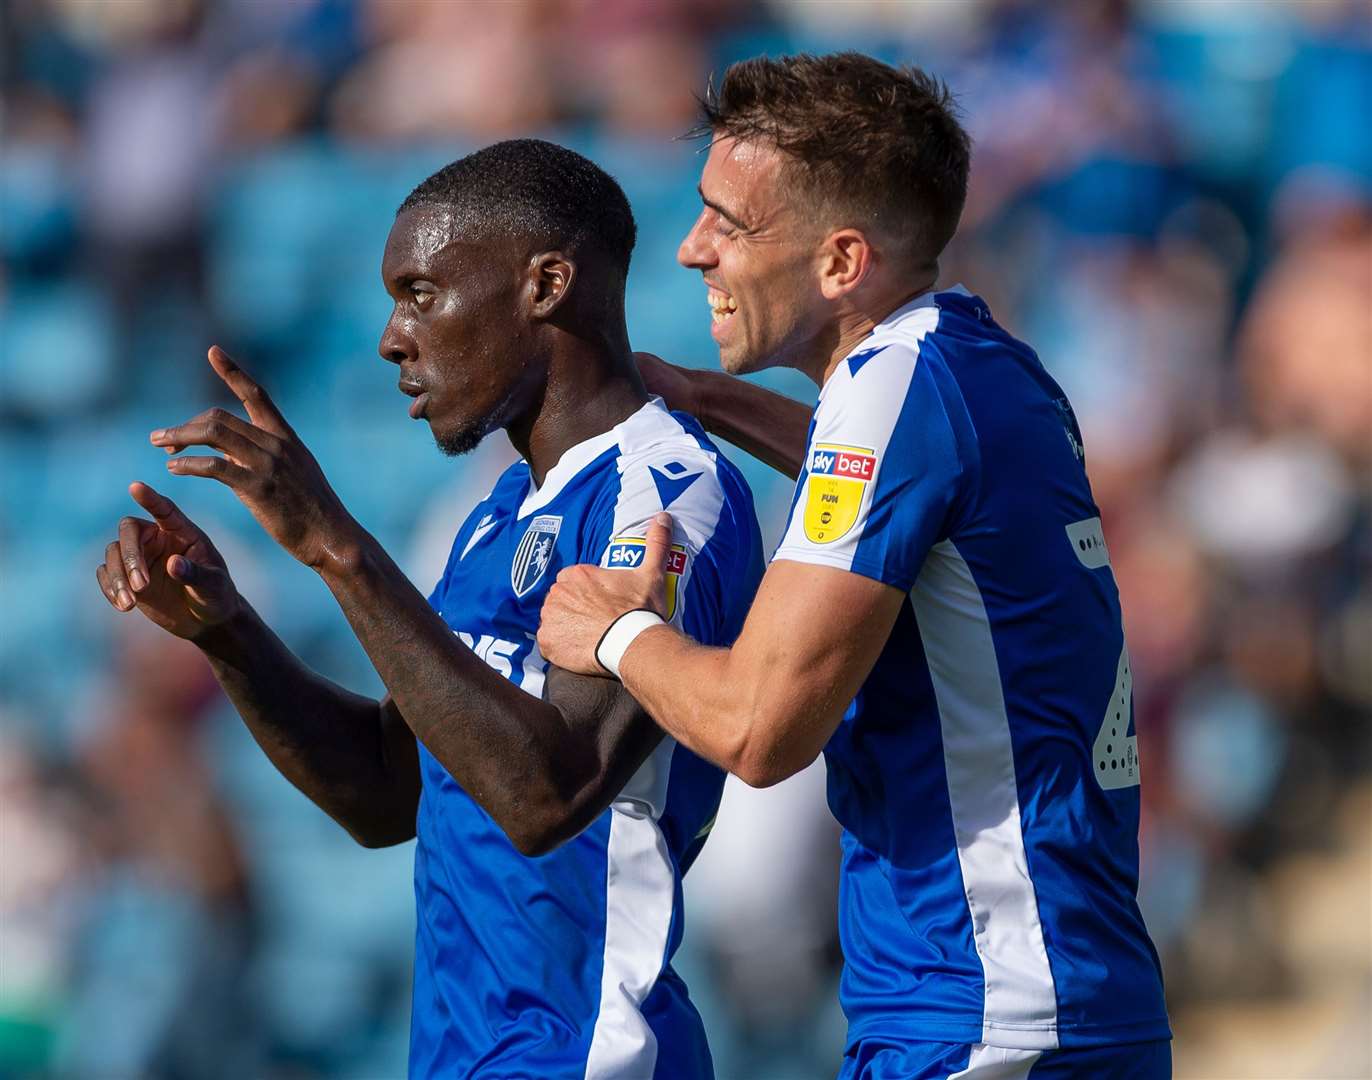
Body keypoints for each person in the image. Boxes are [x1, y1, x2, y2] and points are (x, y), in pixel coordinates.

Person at [537, 54, 1172, 1079]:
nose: (693, 251)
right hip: (1049, 994)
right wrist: (706, 399)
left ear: (840, 264)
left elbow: (758, 729)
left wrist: (613, 630)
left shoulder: (891, 394)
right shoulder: (981, 367)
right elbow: (901, 486)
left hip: (983, 1010)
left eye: (728, 225)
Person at [95, 139, 764, 1079]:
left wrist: (335, 545)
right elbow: (388, 790)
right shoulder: (495, 518)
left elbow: (550, 795)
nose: (391, 337)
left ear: (545, 284)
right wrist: (227, 629)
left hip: (591, 1057)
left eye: (420, 293)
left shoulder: (664, 494)